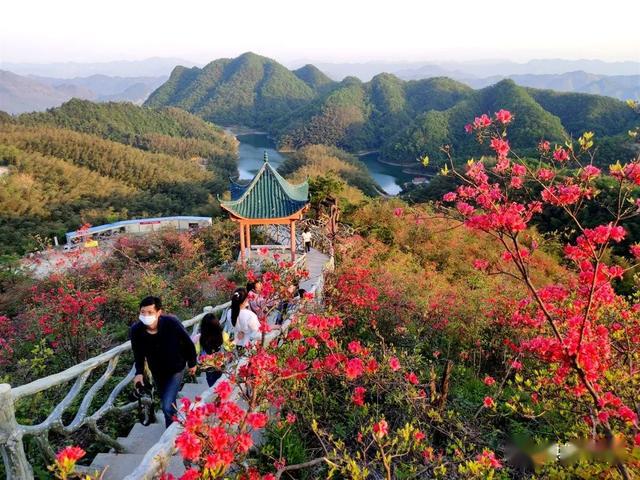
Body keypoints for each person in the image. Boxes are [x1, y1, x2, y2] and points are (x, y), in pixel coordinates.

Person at [130, 296, 197, 427]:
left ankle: (171, 436)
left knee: (167, 405)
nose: (145, 315)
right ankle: (172, 428)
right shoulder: (136, 330)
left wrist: (192, 362)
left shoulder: (171, 323)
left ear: (159, 312)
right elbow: (138, 353)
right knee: (168, 401)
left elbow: (188, 343)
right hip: (157, 371)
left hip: (176, 368)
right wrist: (138, 373)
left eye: (150, 312)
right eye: (142, 312)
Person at [199, 313, 224, 387]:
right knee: (221, 384)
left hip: (208, 366)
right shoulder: (222, 335)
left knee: (212, 386)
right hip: (220, 365)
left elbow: (194, 349)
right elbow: (230, 347)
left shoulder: (200, 337)